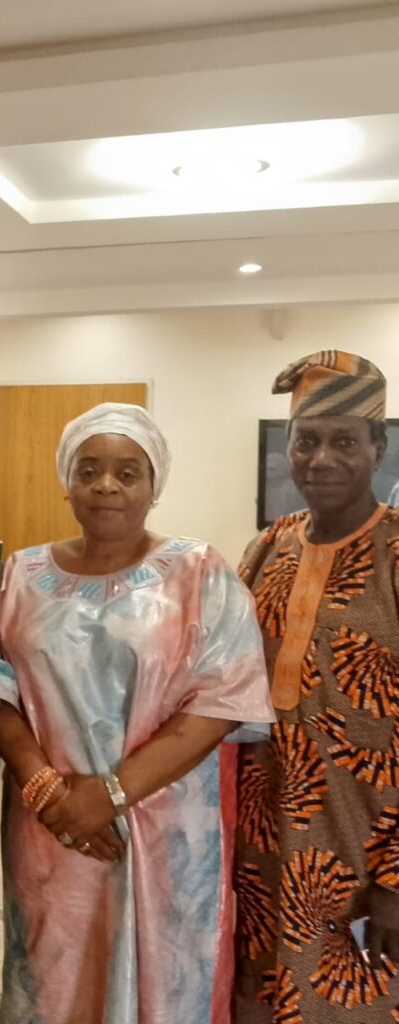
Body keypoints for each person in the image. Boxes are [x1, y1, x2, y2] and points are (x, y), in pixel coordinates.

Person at [0, 402, 274, 1024]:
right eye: (88, 470)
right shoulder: (23, 575)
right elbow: (0, 693)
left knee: (167, 991)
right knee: (58, 983)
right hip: (55, 830)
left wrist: (109, 794)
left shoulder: (199, 573)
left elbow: (222, 702)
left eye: (127, 473)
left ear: (154, 485)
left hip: (168, 835)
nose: (106, 486)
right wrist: (49, 792)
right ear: (67, 482)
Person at [235, 351, 399, 1023]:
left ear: (378, 448)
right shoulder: (267, 547)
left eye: (344, 442)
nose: (321, 459)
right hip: (262, 841)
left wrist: (396, 881)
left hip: (363, 849)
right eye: (306, 441)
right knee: (260, 1000)